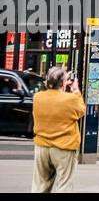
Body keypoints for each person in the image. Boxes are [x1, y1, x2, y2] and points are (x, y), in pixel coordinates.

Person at [31, 65, 85, 193]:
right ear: (63, 82)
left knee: (40, 185)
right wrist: (75, 89)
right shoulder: (71, 99)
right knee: (64, 185)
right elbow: (81, 110)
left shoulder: (38, 97)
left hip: (42, 147)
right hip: (64, 147)